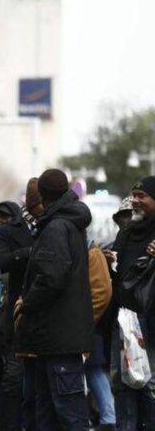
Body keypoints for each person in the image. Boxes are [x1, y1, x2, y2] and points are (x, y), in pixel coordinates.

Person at [15, 168, 94, 429]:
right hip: (58, 339)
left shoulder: (56, 227)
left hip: (58, 338)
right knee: (49, 415)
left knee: (69, 415)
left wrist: (26, 302)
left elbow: (52, 277)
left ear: (42, 196)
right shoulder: (68, 223)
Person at [110, 176, 155, 431]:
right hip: (124, 319)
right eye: (134, 195)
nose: (135, 201)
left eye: (142, 196)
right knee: (121, 382)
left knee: (148, 383)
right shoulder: (126, 233)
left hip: (149, 321)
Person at [0, 199, 34, 431]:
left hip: (44, 319)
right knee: (12, 381)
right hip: (12, 321)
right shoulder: (6, 235)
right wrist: (28, 252)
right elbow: (1, 261)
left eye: (5, 218)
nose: (1, 223)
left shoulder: (53, 228)